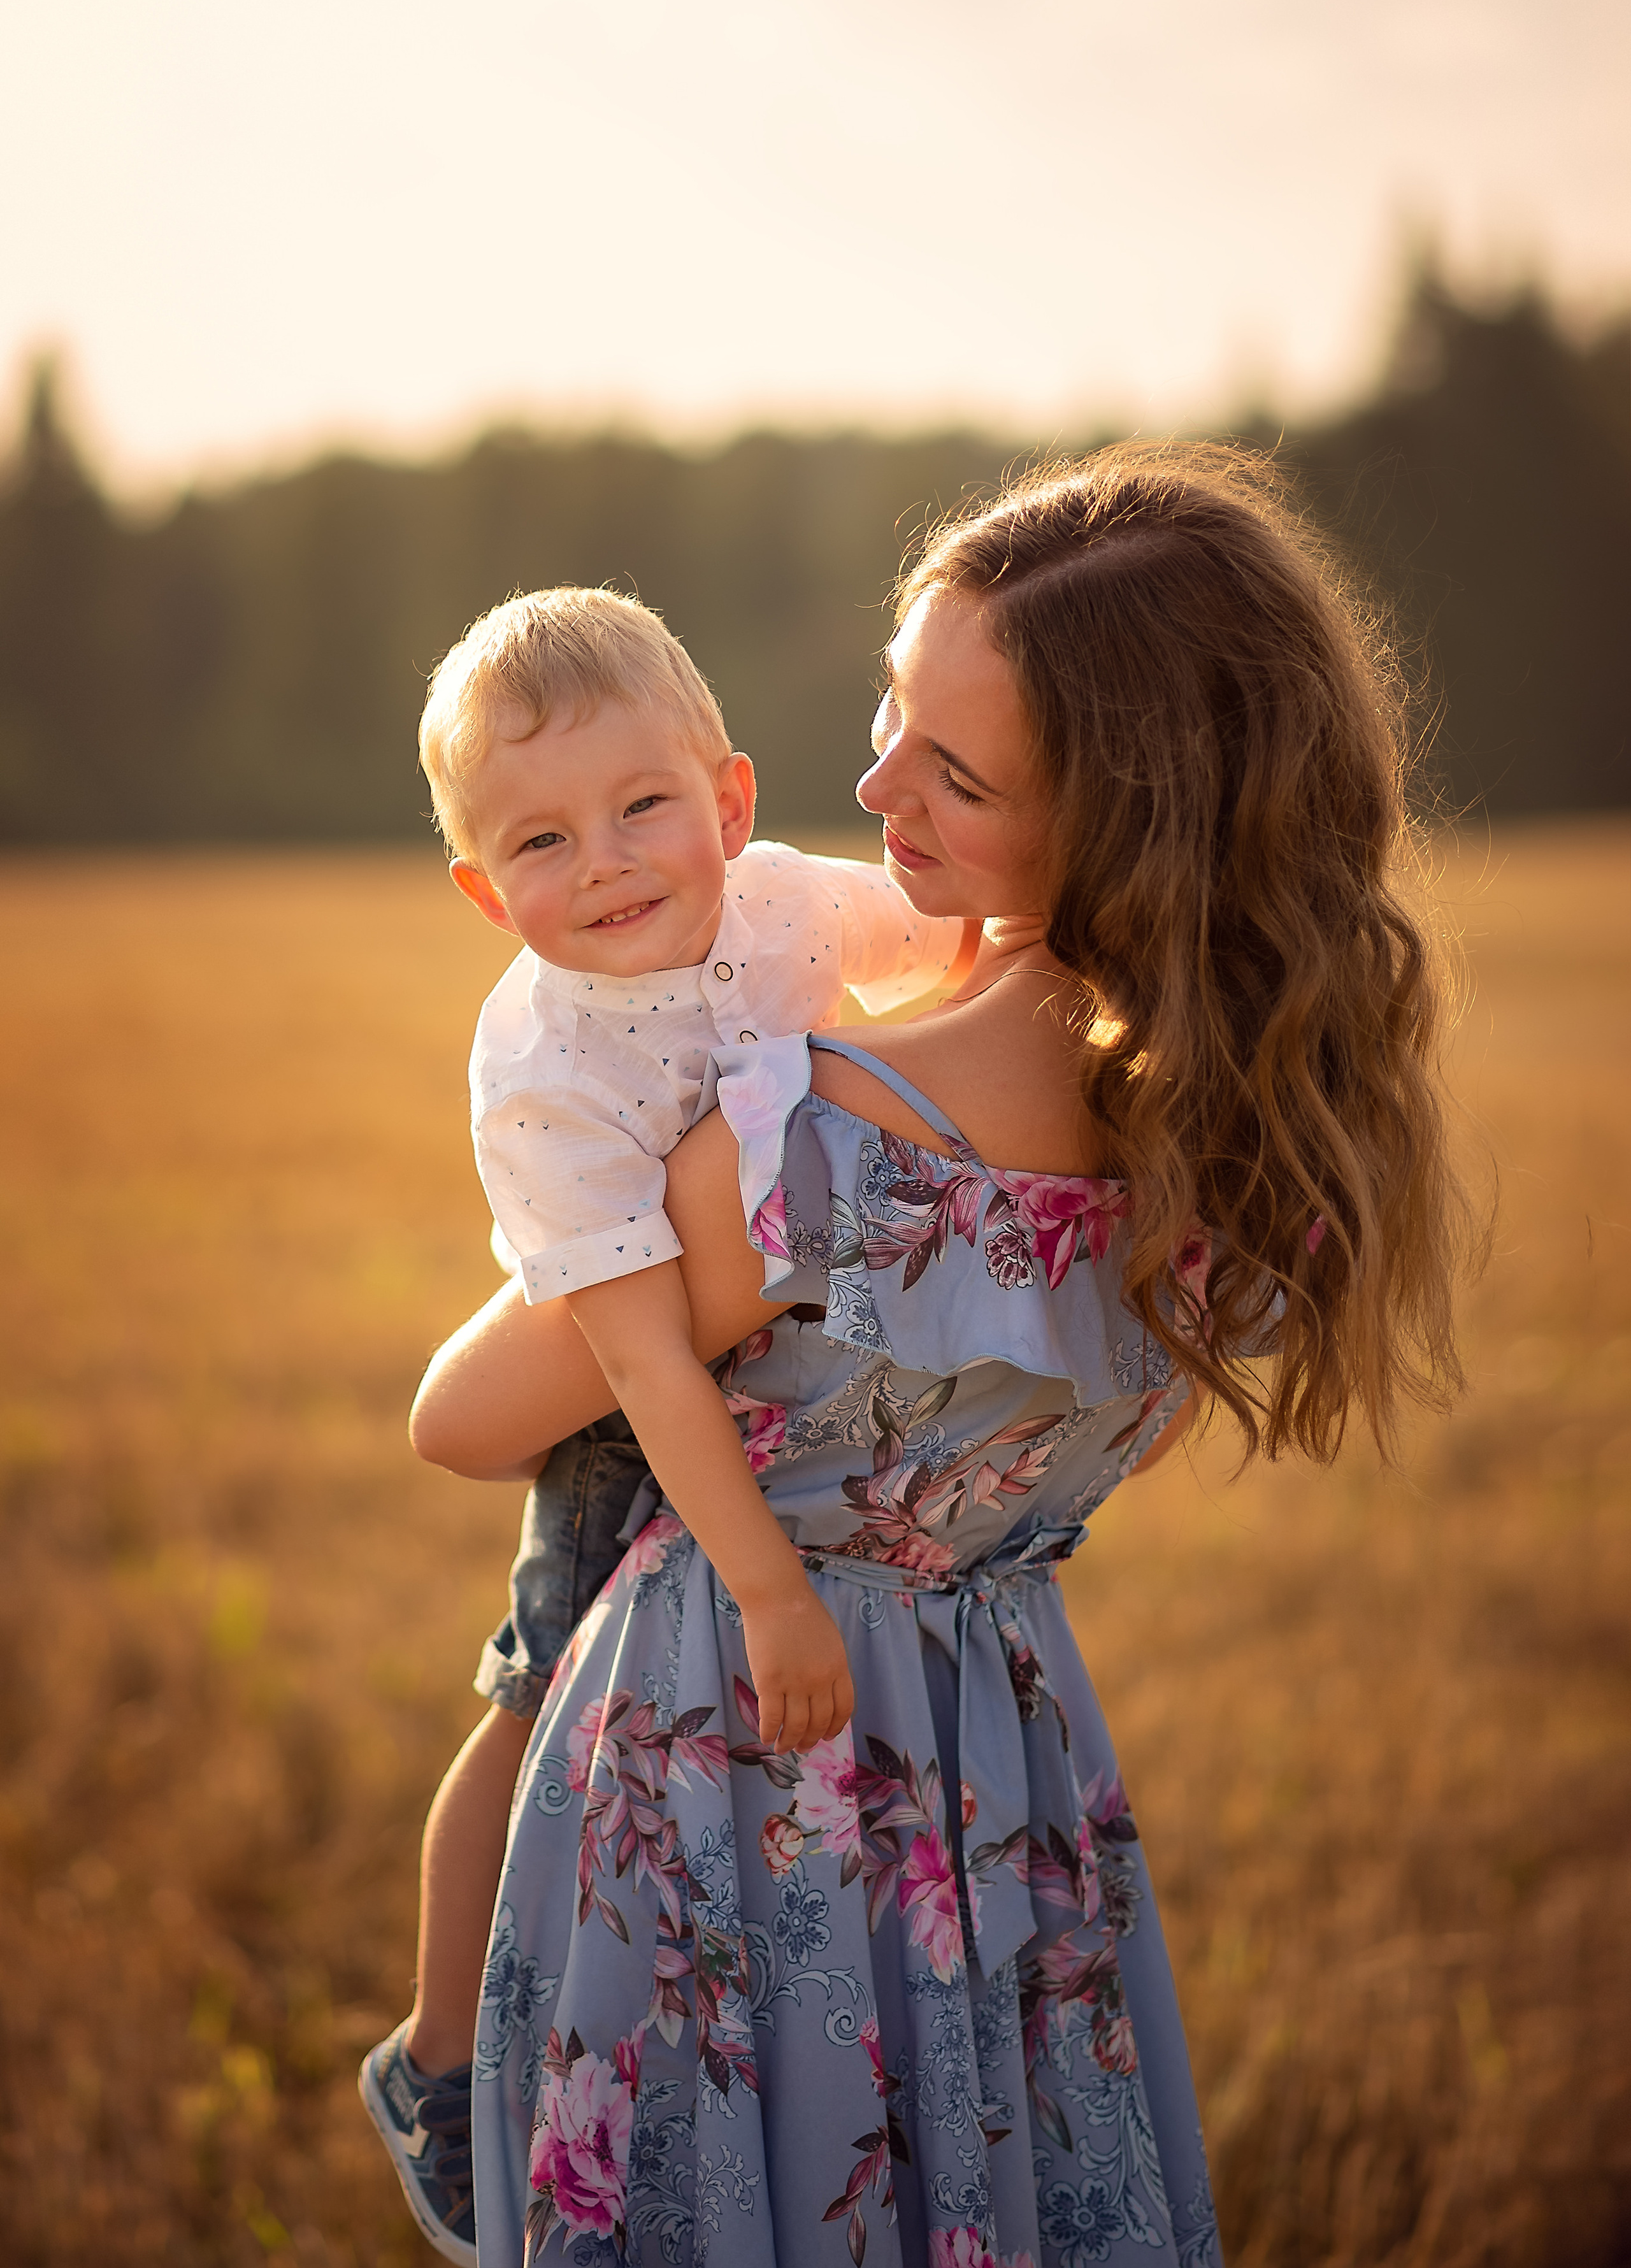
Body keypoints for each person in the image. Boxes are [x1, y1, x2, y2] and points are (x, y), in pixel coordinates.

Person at [410, 445, 1472, 2267]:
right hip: (999, 1788)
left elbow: (464, 1416)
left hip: (733, 1767)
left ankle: (425, 2085)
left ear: (1122, 815)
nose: (870, 782)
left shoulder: (826, 1126)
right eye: (896, 715)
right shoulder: (1248, 1135)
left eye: (953, 770)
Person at [360, 586, 975, 2261]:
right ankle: (437, 2067)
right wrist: (768, 1586)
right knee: (536, 1702)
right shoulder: (544, 1059)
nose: (612, 860)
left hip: (776, 1373)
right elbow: (635, 1359)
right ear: (486, 891)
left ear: (731, 802)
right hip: (627, 1417)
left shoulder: (783, 909)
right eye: (544, 839)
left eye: (644, 805)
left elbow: (960, 963)